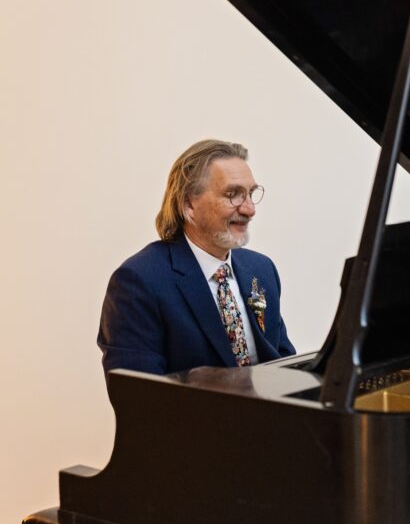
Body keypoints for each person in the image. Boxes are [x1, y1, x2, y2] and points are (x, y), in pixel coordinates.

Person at [98, 139, 295, 379]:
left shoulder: (261, 270)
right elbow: (140, 402)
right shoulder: (138, 282)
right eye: (233, 195)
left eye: (251, 194)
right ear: (189, 204)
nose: (250, 209)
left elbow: (286, 369)